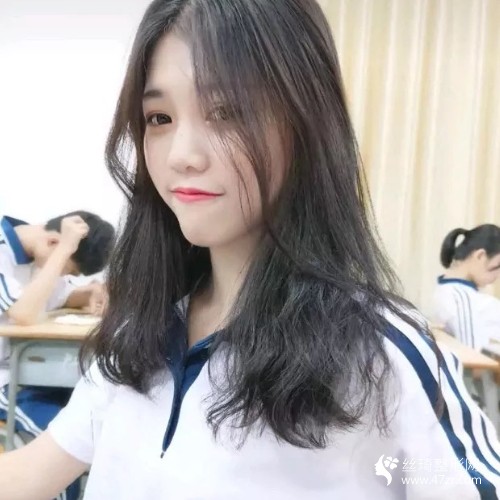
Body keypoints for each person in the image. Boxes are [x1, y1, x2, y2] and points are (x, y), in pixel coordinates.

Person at [1, 1, 499, 499]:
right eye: (159, 117)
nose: (181, 155)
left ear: (306, 122)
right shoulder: (141, 333)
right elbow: (28, 475)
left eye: (227, 112)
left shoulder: (380, 353)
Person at [0, 211, 114, 500]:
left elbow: (62, 294)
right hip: (5, 383)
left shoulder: (35, 257)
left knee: (97, 423)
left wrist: (91, 293)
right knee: (61, 451)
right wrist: (64, 250)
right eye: (66, 270)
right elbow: (23, 313)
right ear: (53, 242)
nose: (61, 276)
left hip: (25, 379)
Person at [432, 225, 500, 351]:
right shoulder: (462, 299)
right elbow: (472, 357)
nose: (497, 276)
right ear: (480, 256)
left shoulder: (445, 289)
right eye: (497, 266)